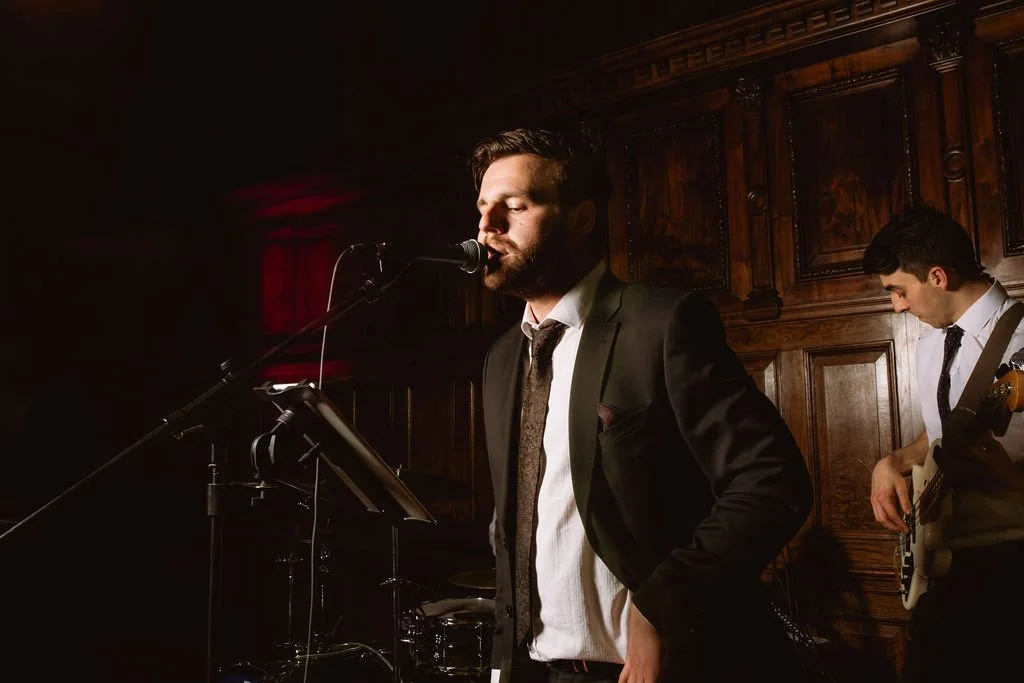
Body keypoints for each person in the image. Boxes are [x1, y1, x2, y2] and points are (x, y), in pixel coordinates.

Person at [471, 125, 813, 683]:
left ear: (581, 218)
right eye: (484, 207)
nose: (488, 227)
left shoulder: (662, 323)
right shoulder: (501, 358)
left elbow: (772, 483)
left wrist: (663, 605)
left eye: (516, 206)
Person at [863, 204, 1024, 683]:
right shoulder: (931, 343)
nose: (896, 306)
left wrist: (1013, 481)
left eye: (899, 291)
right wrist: (892, 460)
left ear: (937, 276)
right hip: (946, 566)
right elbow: (939, 434)